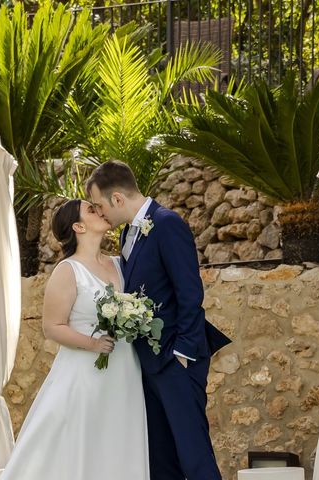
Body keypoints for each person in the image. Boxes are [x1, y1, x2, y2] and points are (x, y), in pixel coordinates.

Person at [87, 160, 231, 480]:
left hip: (175, 360)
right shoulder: (127, 234)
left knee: (193, 455)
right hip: (147, 363)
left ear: (118, 199)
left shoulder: (167, 224)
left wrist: (182, 353)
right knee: (161, 459)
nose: (100, 213)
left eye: (100, 205)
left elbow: (190, 293)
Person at [0, 199, 149, 479]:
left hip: (124, 372)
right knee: (77, 445)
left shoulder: (120, 265)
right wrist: (93, 344)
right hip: (84, 376)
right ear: (78, 227)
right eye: (91, 210)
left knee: (117, 444)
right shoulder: (68, 270)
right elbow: (52, 326)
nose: (100, 211)